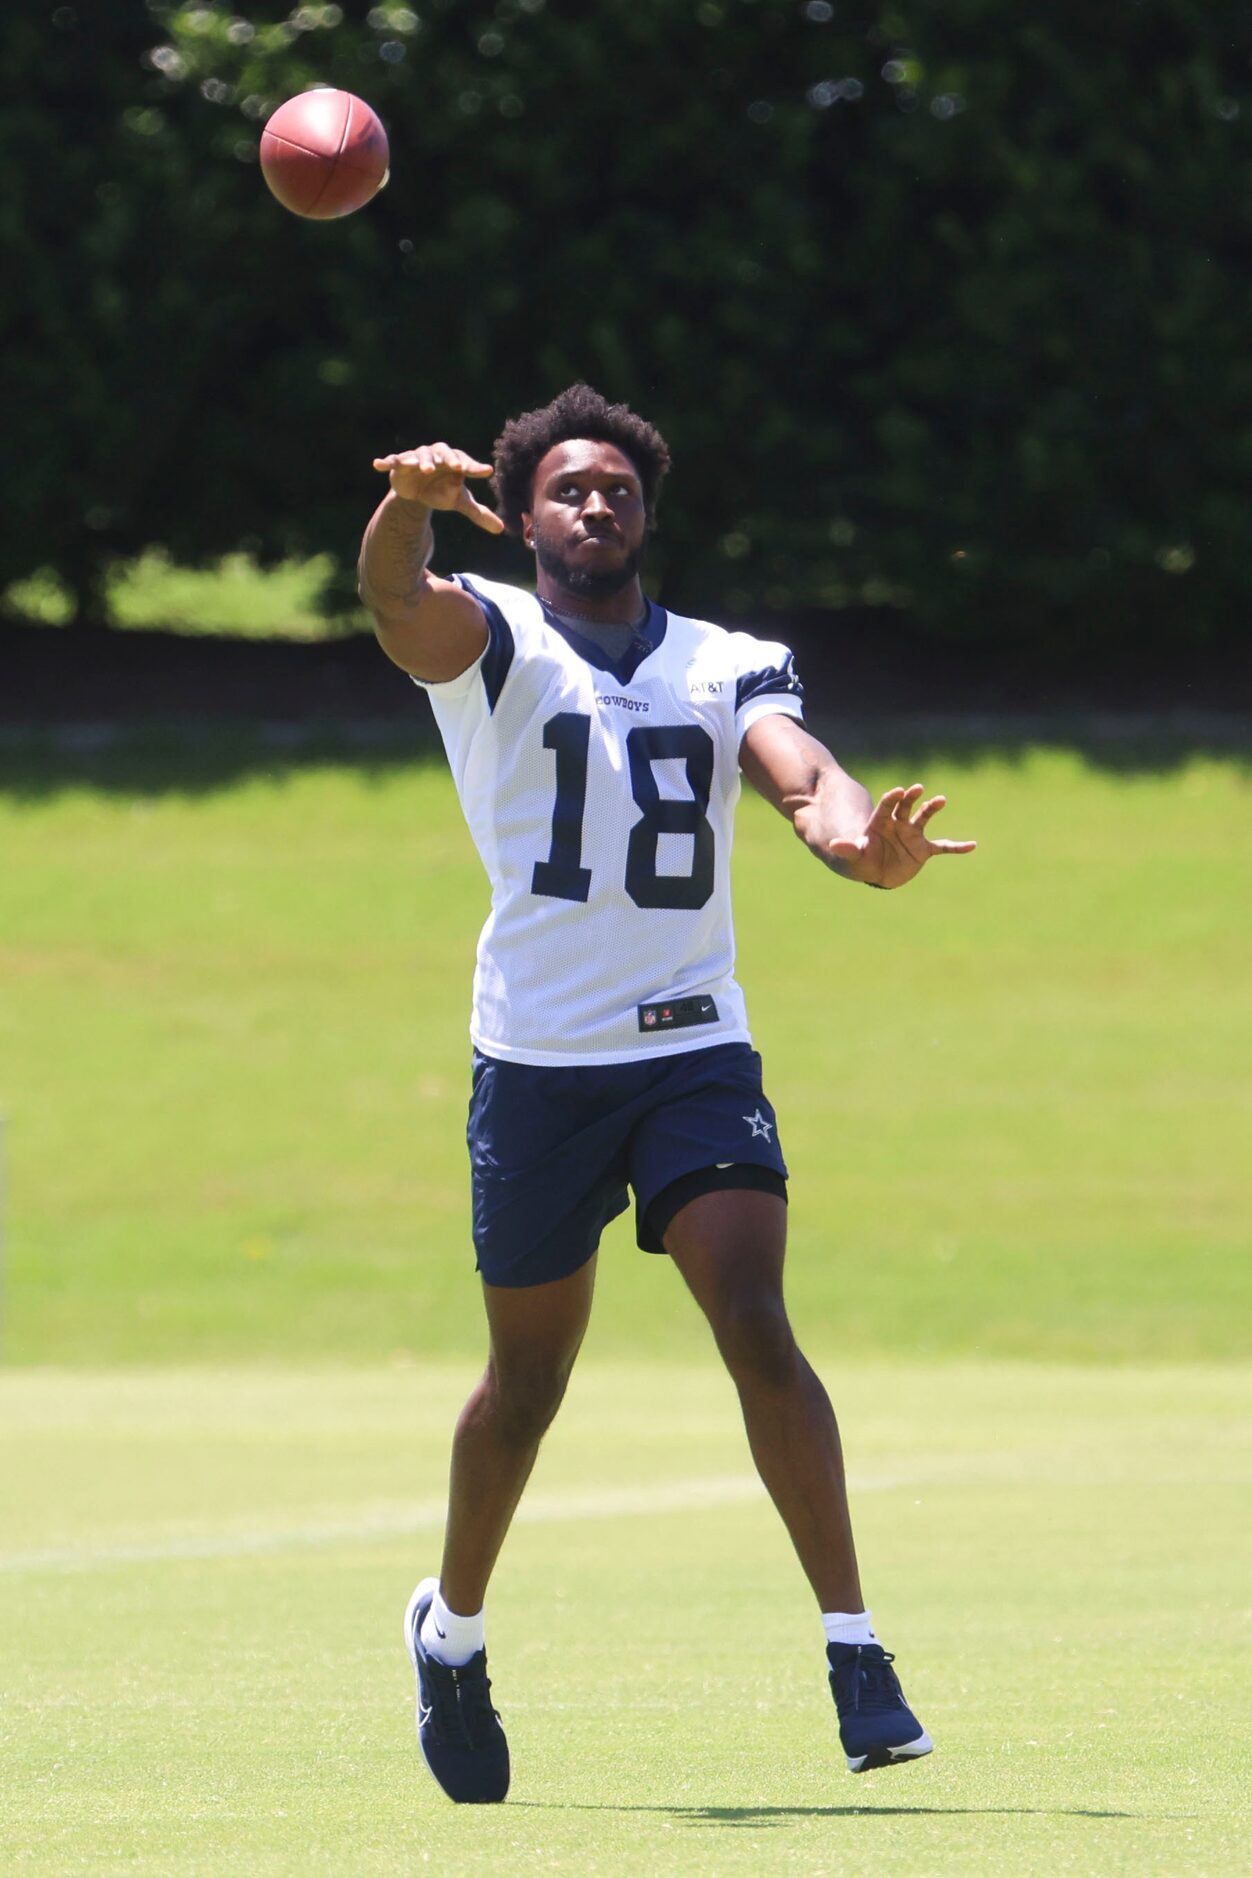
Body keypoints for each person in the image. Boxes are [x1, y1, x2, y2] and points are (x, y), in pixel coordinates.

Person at [358, 383, 976, 1805]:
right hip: (540, 1066)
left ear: (647, 512)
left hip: (694, 1050)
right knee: (525, 1389)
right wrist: (405, 502)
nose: (595, 503)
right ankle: (450, 1631)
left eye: (618, 487)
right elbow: (398, 601)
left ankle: (856, 1649)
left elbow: (802, 776)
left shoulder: (723, 659)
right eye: (567, 488)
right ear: (522, 516)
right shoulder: (494, 637)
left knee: (755, 1318)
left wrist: (856, 844)